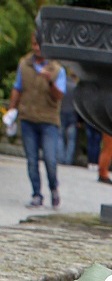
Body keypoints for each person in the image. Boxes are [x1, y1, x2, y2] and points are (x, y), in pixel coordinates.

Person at [8, 29, 66, 208]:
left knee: (49, 158)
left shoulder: (57, 69)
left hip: (49, 121)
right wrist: (11, 110)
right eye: (34, 44)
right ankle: (36, 194)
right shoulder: (24, 64)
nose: (37, 48)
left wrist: (50, 81)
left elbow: (59, 95)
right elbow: (17, 87)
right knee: (31, 160)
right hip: (28, 118)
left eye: (40, 45)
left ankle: (53, 188)